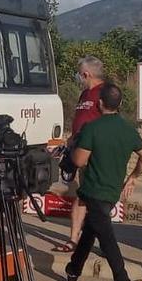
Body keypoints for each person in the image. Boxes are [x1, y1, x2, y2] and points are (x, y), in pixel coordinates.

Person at [65, 84, 142, 281]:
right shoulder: (128, 129)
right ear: (120, 104)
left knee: (107, 239)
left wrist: (73, 148)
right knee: (90, 230)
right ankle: (73, 269)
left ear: (99, 103)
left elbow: (79, 161)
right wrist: (132, 177)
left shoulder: (92, 128)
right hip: (112, 190)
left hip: (94, 189)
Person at [53, 56, 107, 254]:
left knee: (97, 198)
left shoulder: (105, 93)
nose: (79, 78)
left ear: (87, 74)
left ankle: (102, 239)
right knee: (82, 195)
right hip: (79, 150)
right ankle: (74, 239)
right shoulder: (85, 94)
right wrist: (69, 142)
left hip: (97, 153)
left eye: (80, 74)